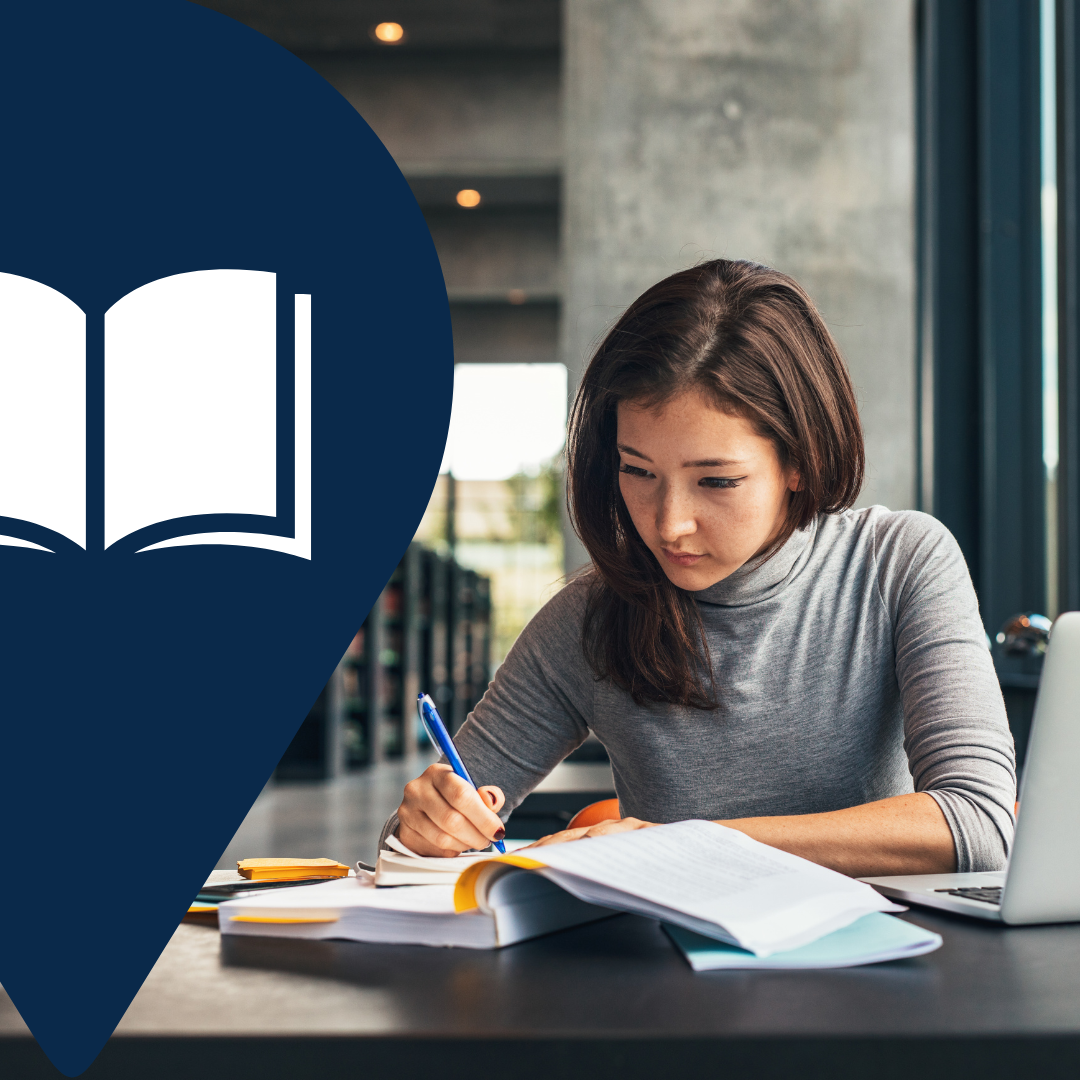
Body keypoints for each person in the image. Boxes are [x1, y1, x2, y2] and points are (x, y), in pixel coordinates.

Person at [384, 259, 1016, 877]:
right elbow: (403, 849)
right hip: (671, 977)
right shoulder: (588, 619)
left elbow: (979, 823)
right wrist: (427, 827)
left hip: (883, 967)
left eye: (716, 480)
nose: (668, 524)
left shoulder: (898, 563)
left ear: (800, 461)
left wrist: (687, 845)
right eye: (638, 472)